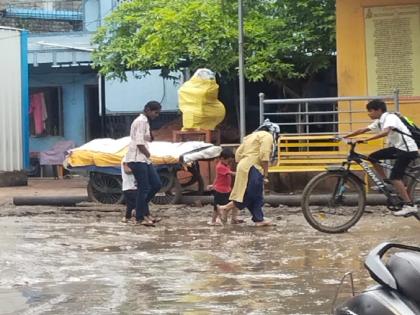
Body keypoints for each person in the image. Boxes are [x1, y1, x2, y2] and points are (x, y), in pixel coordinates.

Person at [344, 99, 419, 217]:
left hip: (407, 150)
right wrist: (343, 136)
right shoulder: (380, 120)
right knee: (373, 157)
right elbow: (363, 130)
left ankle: (410, 206)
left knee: (396, 177)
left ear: (378, 110)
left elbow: (385, 132)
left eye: (370, 111)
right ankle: (387, 183)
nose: (368, 114)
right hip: (399, 148)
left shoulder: (390, 117)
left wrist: (366, 140)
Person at [218, 120, 280, 226]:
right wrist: (265, 174)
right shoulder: (267, 136)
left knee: (255, 195)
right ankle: (226, 208)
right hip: (253, 167)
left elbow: (238, 154)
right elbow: (264, 156)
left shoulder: (250, 137)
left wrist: (245, 161)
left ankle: (259, 219)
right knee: (251, 194)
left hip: (243, 166)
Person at [126, 101, 162, 226]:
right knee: (144, 187)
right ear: (147, 110)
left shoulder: (145, 122)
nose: (156, 115)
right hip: (137, 158)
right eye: (155, 112)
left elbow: (145, 139)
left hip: (143, 159)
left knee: (156, 184)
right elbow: (139, 143)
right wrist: (147, 154)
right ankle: (140, 217)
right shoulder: (141, 121)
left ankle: (140, 209)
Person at [208, 148, 242, 225]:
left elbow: (217, 177)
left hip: (226, 189)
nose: (229, 162)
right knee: (218, 207)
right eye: (228, 160)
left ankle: (231, 219)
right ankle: (214, 221)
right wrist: (241, 173)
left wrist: (213, 185)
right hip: (220, 190)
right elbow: (230, 173)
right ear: (222, 158)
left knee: (232, 204)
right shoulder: (220, 166)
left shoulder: (225, 165)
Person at [120, 158, 137, 223]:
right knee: (132, 204)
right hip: (129, 186)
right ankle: (130, 218)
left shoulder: (131, 158)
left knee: (131, 205)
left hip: (132, 186)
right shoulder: (126, 158)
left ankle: (127, 218)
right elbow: (127, 171)